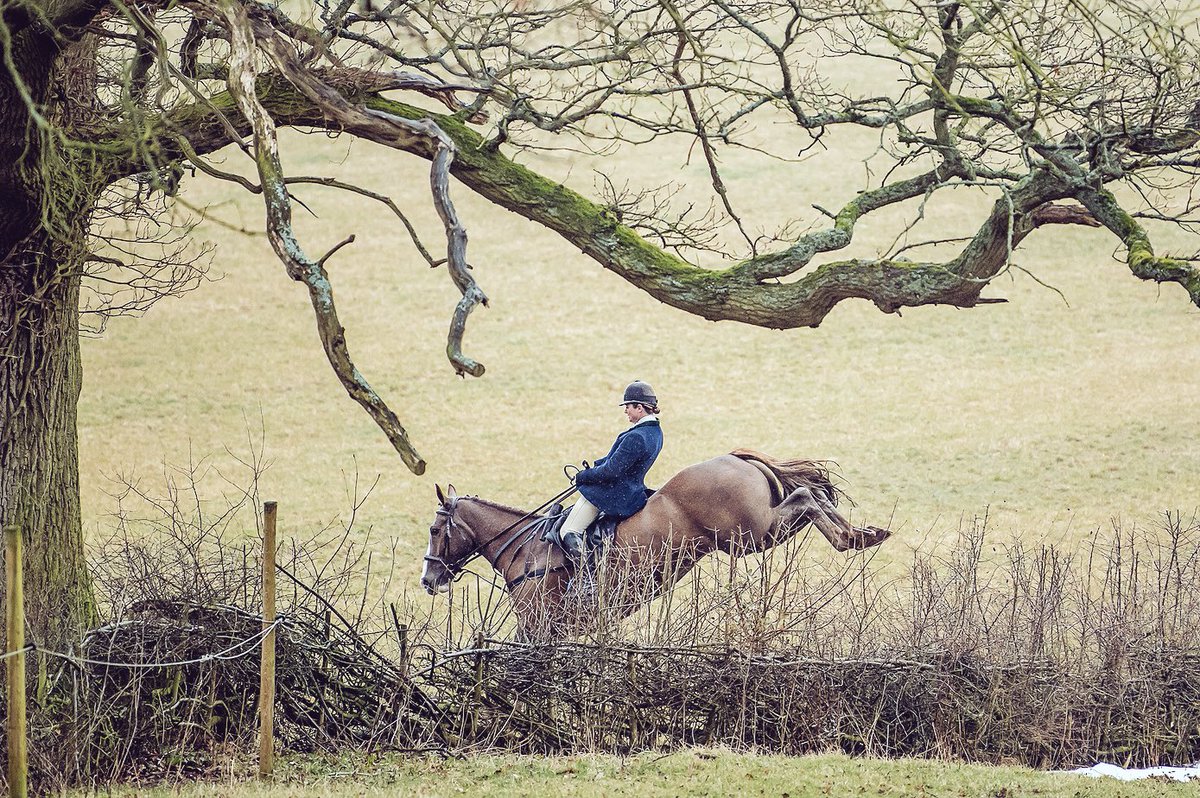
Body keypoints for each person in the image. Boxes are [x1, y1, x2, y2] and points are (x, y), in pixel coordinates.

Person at [560, 380, 664, 559]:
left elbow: (611, 471)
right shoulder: (655, 432)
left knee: (569, 531)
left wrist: (582, 476)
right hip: (631, 492)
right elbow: (622, 461)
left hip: (613, 494)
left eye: (628, 407)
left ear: (639, 408)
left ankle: (586, 578)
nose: (625, 411)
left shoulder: (636, 436)